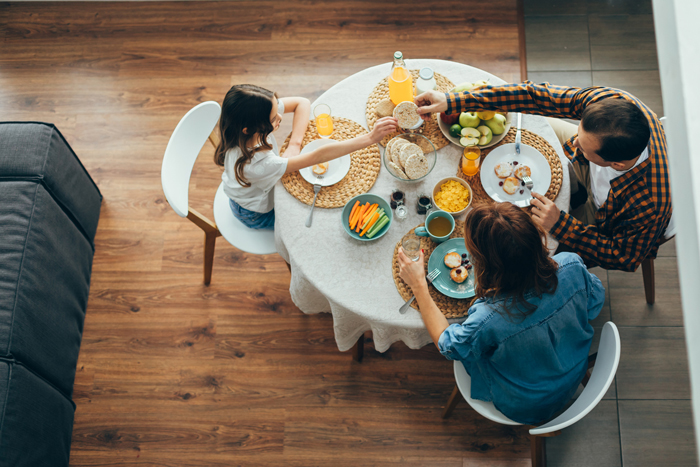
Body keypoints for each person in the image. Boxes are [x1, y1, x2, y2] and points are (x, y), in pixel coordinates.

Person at [415, 81, 672, 272]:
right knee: (531, 128)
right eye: (578, 136)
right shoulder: (611, 102)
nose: (574, 147)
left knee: (521, 253)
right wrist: (455, 101)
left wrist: (562, 225)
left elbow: (623, 257)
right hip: (594, 163)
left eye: (581, 147)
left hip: (606, 215)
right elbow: (534, 96)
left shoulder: (649, 202)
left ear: (615, 163)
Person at [397, 203, 605, 425]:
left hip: (526, 404)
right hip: (576, 368)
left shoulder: (487, 319)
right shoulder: (571, 263)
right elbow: (595, 302)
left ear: (483, 265)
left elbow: (449, 346)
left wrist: (419, 286)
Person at [214, 84, 398, 229]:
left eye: (277, 109)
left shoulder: (239, 127)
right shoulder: (257, 164)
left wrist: (294, 144)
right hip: (256, 212)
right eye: (272, 119)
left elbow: (302, 103)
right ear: (249, 129)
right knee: (316, 222)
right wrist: (371, 138)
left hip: (247, 190)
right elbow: (318, 156)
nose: (279, 117)